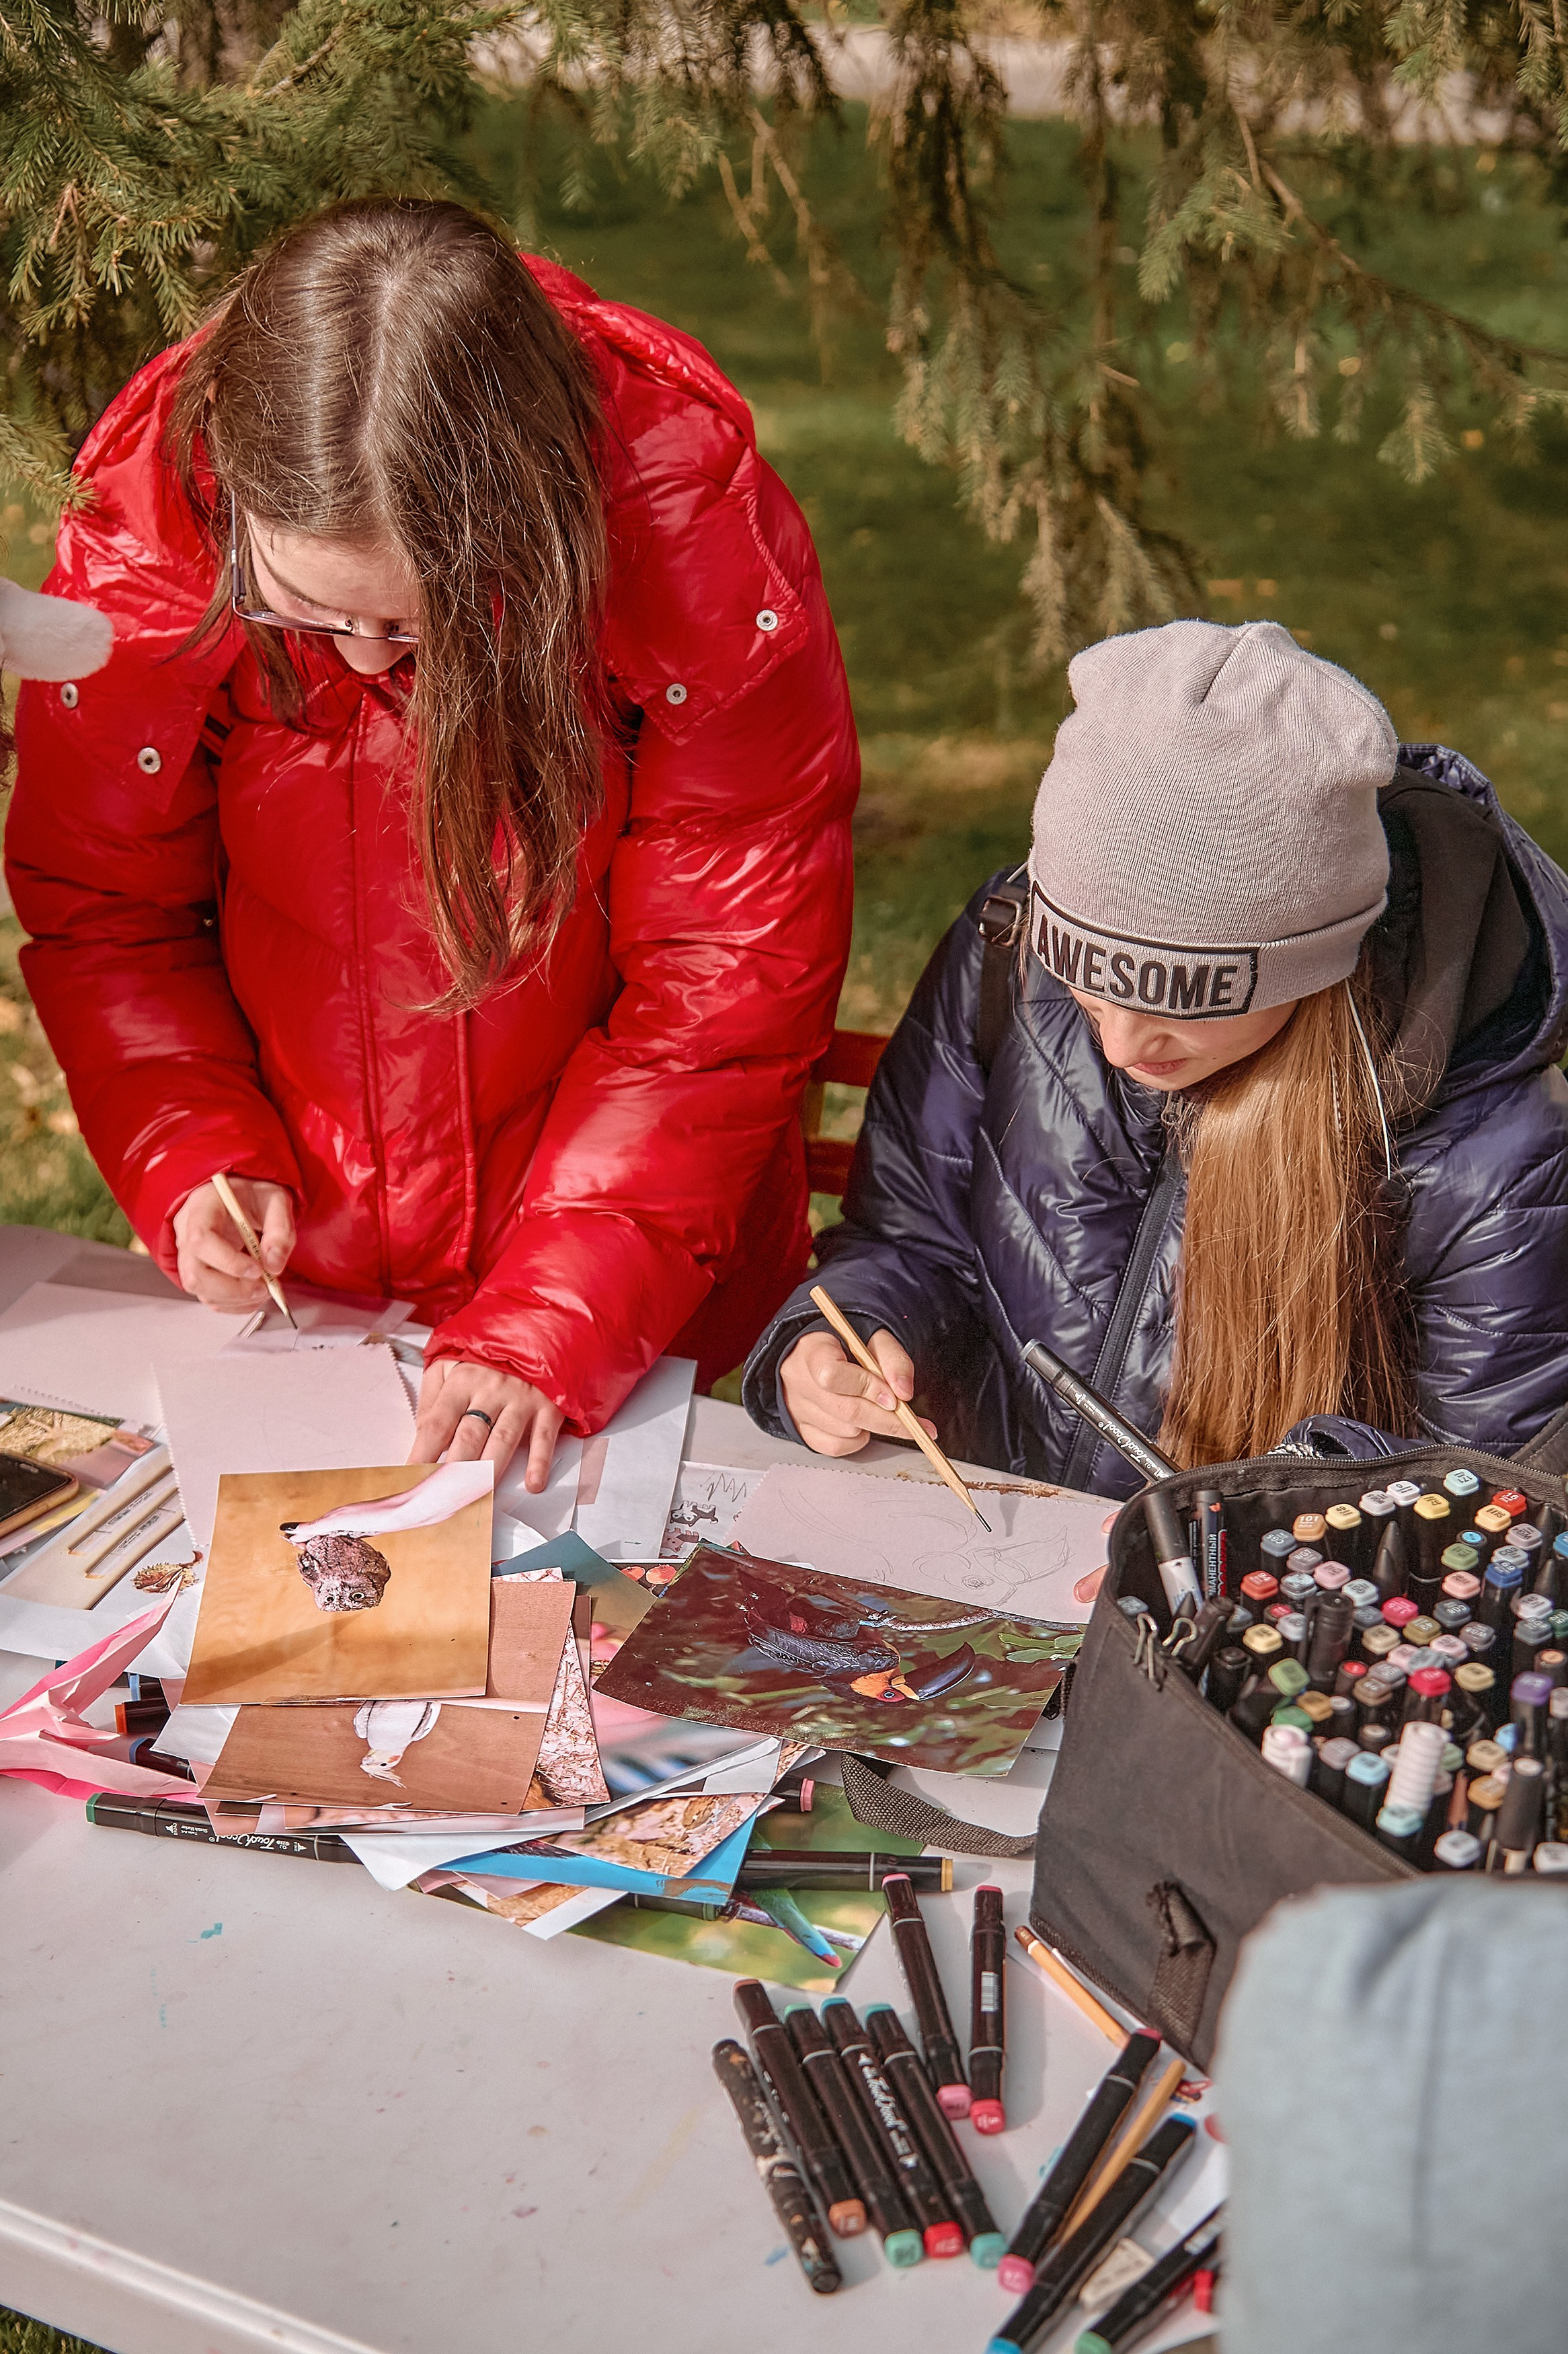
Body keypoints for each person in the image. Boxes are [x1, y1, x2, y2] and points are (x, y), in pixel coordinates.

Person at [6, 200, 857, 1488]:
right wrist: (190, 1148)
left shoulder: (692, 547)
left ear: (528, 529)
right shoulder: (153, 547)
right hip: (315, 1279)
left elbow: (723, 991)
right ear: (236, 503)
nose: (360, 660)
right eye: (302, 611)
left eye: (416, 624)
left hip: (629, 1272)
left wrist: (558, 1306)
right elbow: (108, 910)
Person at [744, 619, 1568, 1496]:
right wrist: (846, 1335)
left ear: (1310, 968)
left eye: (1180, 1010)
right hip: (990, 1526)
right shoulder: (1010, 955)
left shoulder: (1492, 1154)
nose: (1121, 1046)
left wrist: (1286, 1498)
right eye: (1089, 993)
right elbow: (912, 1238)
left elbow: (1480, 1498)